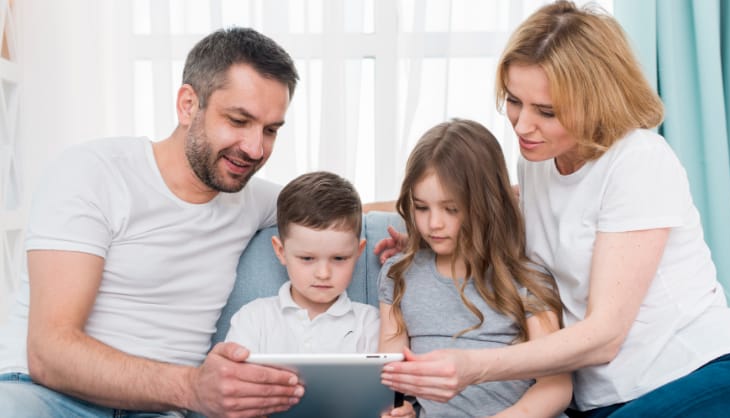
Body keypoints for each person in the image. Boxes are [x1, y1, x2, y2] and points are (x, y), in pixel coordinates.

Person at [376, 2, 730, 417]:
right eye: (514, 101)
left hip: (690, 373)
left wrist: (474, 368)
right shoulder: (537, 162)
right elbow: (480, 200)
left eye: (546, 111)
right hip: (599, 398)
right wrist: (422, 236)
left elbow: (605, 336)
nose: (522, 125)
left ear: (596, 101)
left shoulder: (638, 161)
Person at [0, 27, 304, 418]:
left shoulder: (255, 200)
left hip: (156, 410)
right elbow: (49, 353)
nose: (255, 148)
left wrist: (407, 227)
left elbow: (345, 211)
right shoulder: (92, 173)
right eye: (238, 120)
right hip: (43, 395)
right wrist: (193, 389)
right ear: (188, 105)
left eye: (271, 130)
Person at [377, 119, 572, 417]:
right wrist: (402, 411)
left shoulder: (527, 279)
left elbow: (556, 385)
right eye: (421, 207)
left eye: (451, 209)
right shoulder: (398, 276)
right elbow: (392, 380)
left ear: (485, 204)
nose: (434, 224)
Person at [225, 170, 414, 418]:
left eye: (339, 258)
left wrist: (403, 412)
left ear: (358, 253)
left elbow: (389, 401)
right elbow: (231, 396)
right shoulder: (253, 318)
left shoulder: (370, 324)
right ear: (280, 251)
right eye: (307, 258)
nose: (323, 273)